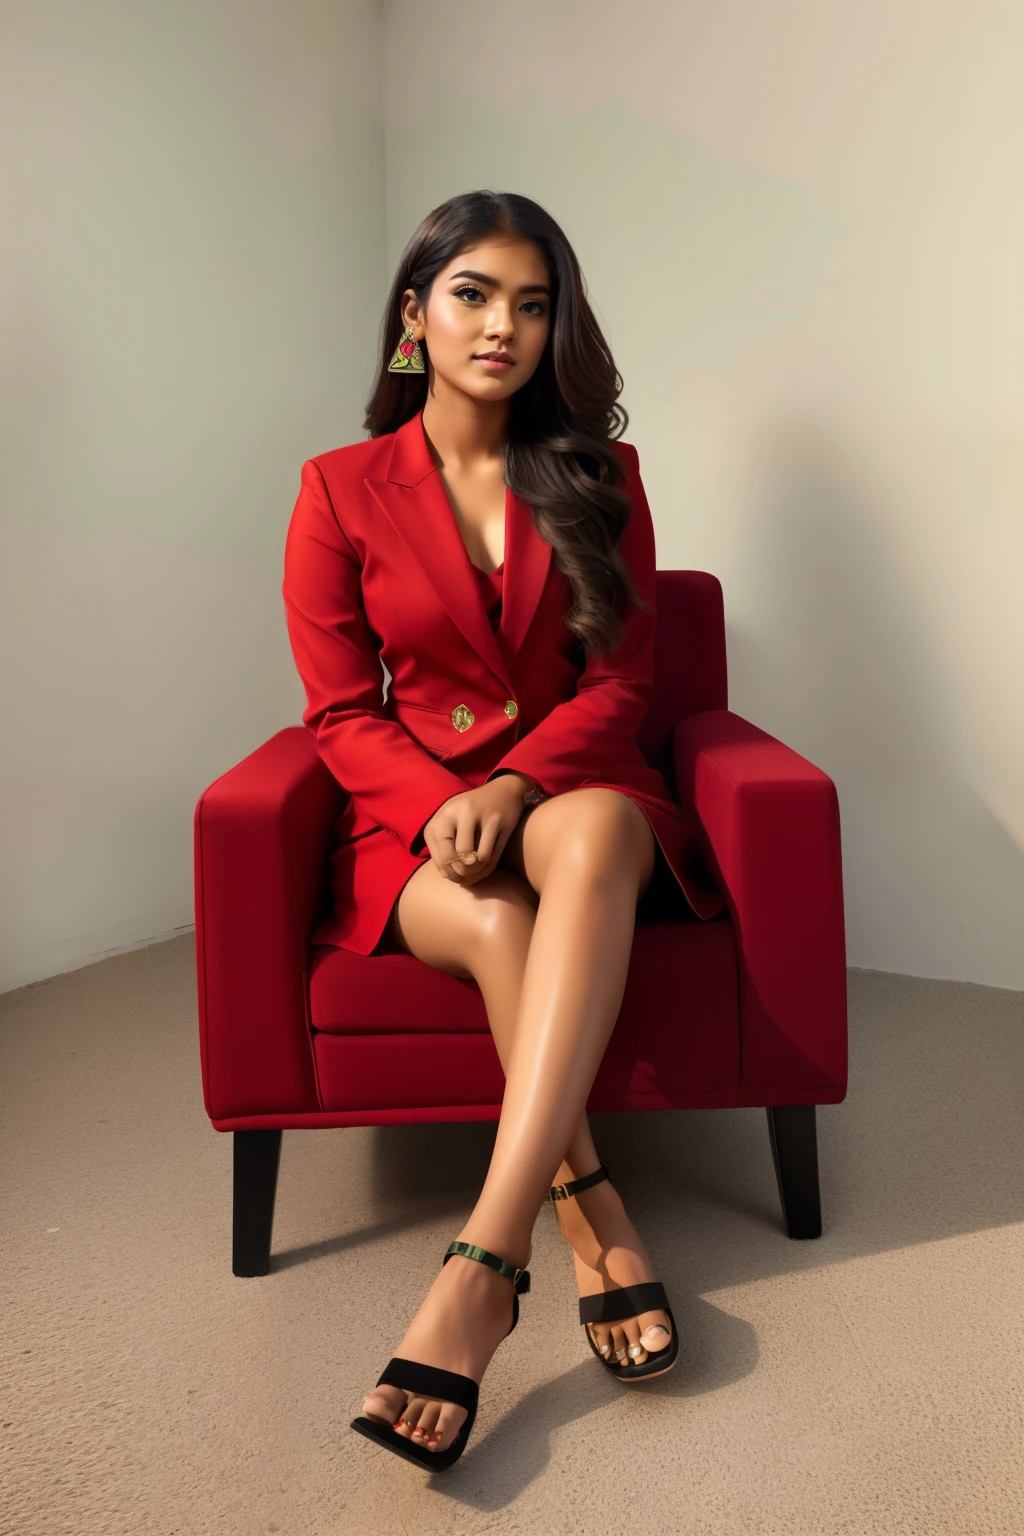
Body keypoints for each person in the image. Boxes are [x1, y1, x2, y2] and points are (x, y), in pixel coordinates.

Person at [281, 190, 724, 1469]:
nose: (503, 327)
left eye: (533, 305)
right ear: (414, 315)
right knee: (489, 913)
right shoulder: (336, 489)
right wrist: (436, 806)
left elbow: (623, 687)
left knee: (582, 839)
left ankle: (482, 1264)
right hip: (408, 831)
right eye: (472, 295)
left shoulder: (604, 475)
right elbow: (333, 710)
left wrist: (513, 786)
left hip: (578, 791)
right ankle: (588, 1205)